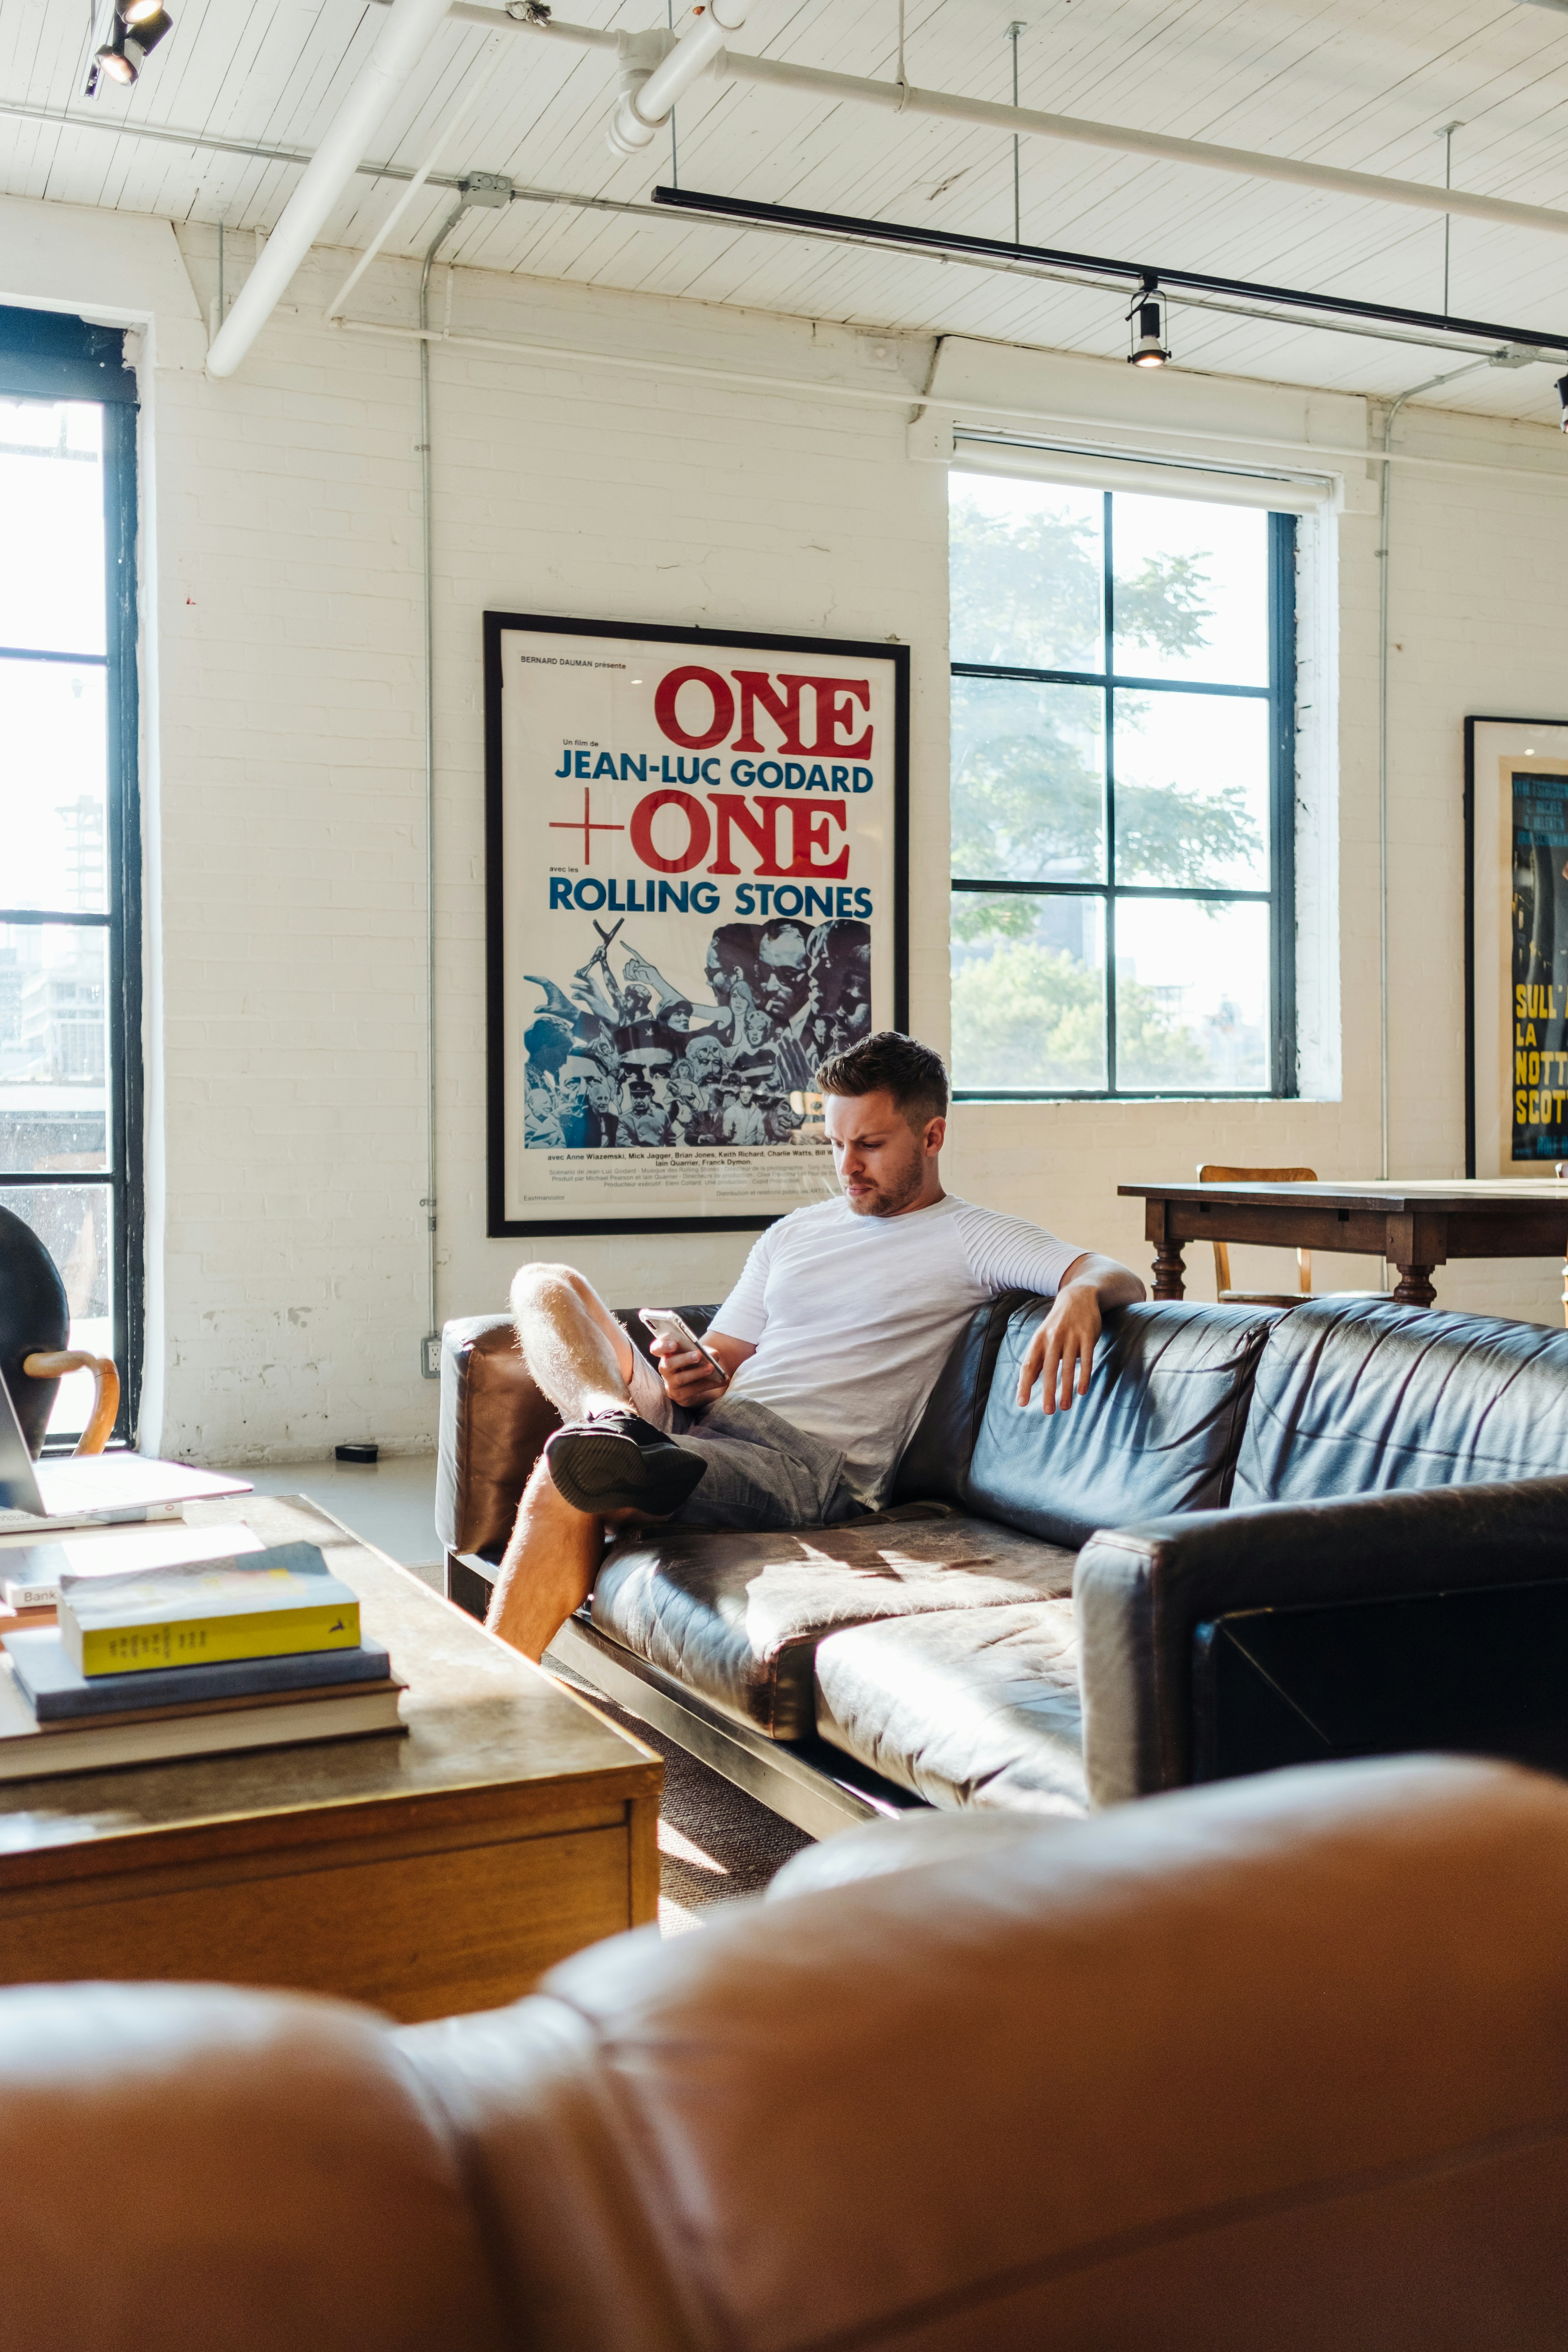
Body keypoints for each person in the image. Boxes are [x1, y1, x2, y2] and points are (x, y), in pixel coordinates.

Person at [488, 1029, 1145, 1661]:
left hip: (802, 1469)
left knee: (564, 1476)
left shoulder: (971, 1237)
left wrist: (1079, 1297)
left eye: (869, 1145)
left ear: (932, 1136)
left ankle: (494, 1705)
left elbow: (1112, 1273)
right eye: (835, 1143)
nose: (847, 1167)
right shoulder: (795, 1232)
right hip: (704, 1428)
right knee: (544, 1282)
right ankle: (610, 1421)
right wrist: (697, 1372)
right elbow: (724, 1355)